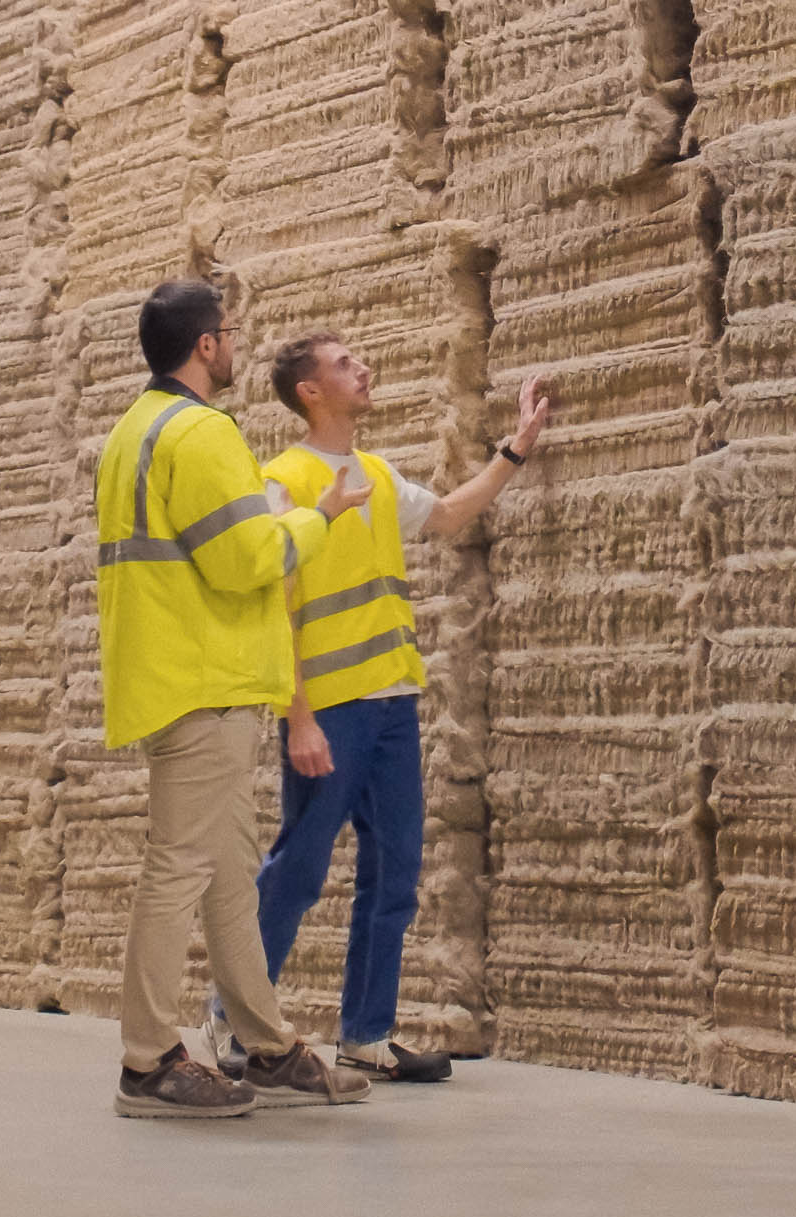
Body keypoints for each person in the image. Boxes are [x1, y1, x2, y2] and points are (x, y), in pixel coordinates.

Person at [209, 332, 552, 1085]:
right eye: (344, 364)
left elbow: (451, 515)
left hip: (393, 703)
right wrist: (298, 717)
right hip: (329, 710)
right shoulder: (284, 482)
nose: (363, 369)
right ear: (309, 392)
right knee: (299, 870)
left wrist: (515, 449)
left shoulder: (376, 476)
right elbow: (273, 606)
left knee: (395, 875)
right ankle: (232, 1018)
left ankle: (366, 1034)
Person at [94, 279, 380, 1119]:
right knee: (179, 867)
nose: (236, 344)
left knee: (227, 876)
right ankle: (147, 1062)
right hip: (203, 679)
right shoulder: (203, 432)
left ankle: (266, 1044)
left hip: (173, 673)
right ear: (206, 345)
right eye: (230, 332)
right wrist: (317, 516)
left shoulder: (134, 429)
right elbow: (246, 559)